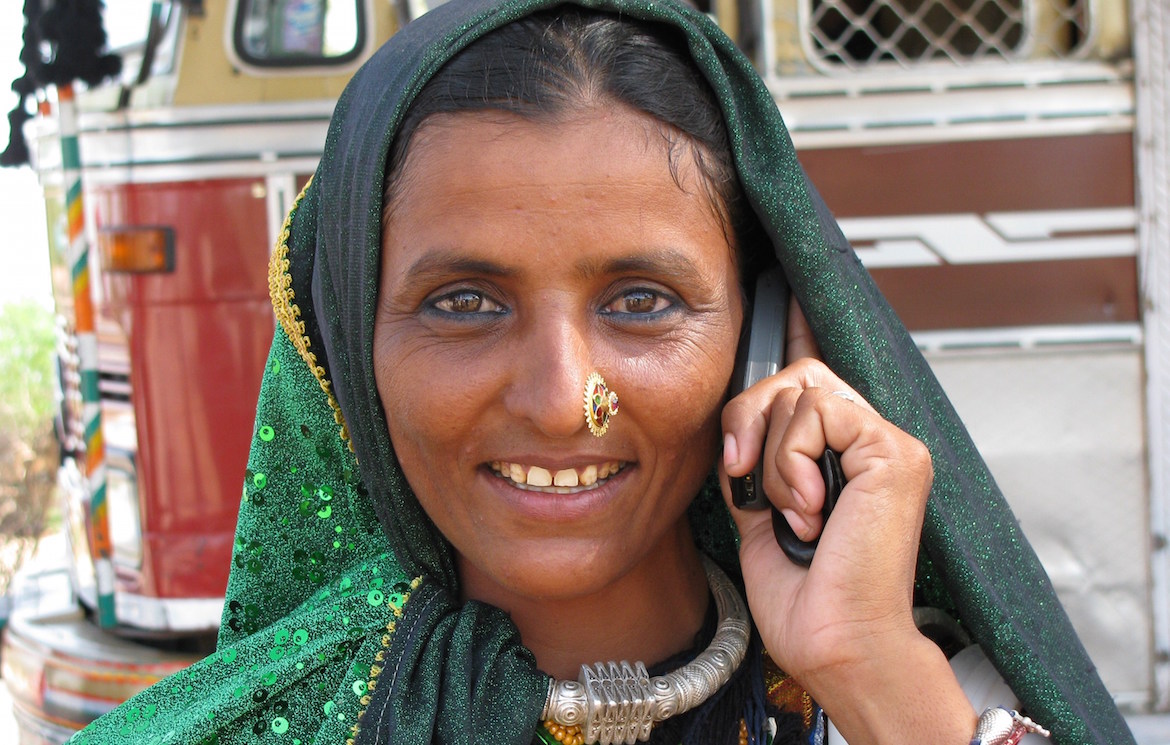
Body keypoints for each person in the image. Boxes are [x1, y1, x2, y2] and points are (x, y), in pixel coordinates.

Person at [70, 0, 1135, 743]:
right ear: (347, 352)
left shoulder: (924, 702)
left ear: (764, 336)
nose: (557, 398)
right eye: (463, 303)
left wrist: (873, 671)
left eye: (641, 302)